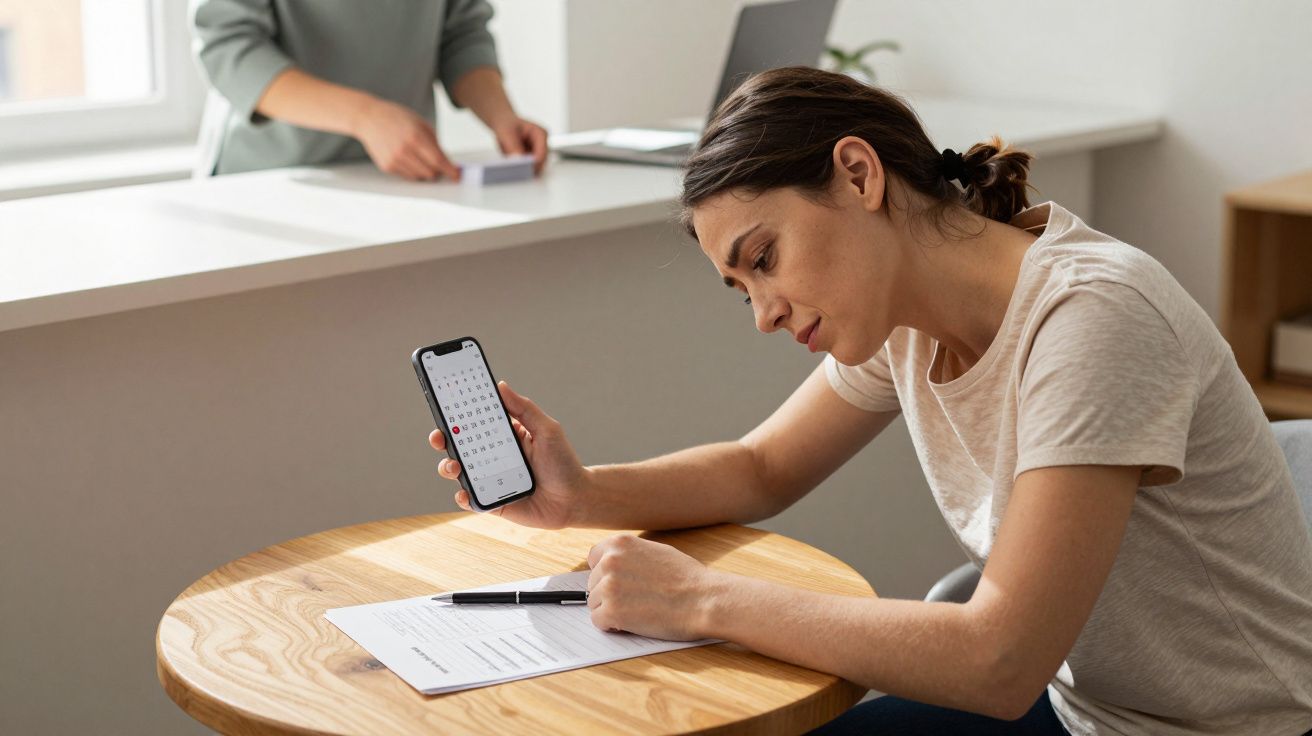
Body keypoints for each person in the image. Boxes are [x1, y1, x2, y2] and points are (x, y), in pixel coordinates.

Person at [428, 67, 1312, 734]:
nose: (766, 315)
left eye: (764, 259)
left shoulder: (1093, 319)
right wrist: (581, 494)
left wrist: (701, 600)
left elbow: (1000, 659)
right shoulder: (908, 323)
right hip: (1088, 714)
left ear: (858, 175)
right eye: (741, 289)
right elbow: (761, 467)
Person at [190, 0, 547, 180]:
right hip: (271, 181)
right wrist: (366, 117)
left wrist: (502, 117)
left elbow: (461, 32)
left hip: (400, 181)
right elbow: (229, 47)